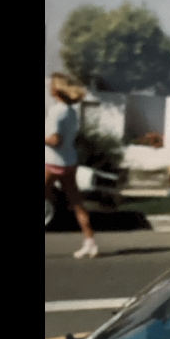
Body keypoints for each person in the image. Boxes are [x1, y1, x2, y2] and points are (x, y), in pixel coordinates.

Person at [45, 72, 99, 258]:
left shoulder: (56, 111)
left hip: (52, 162)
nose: (49, 87)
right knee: (76, 203)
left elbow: (55, 140)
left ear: (57, 89)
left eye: (52, 84)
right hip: (69, 162)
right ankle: (90, 243)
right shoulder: (71, 112)